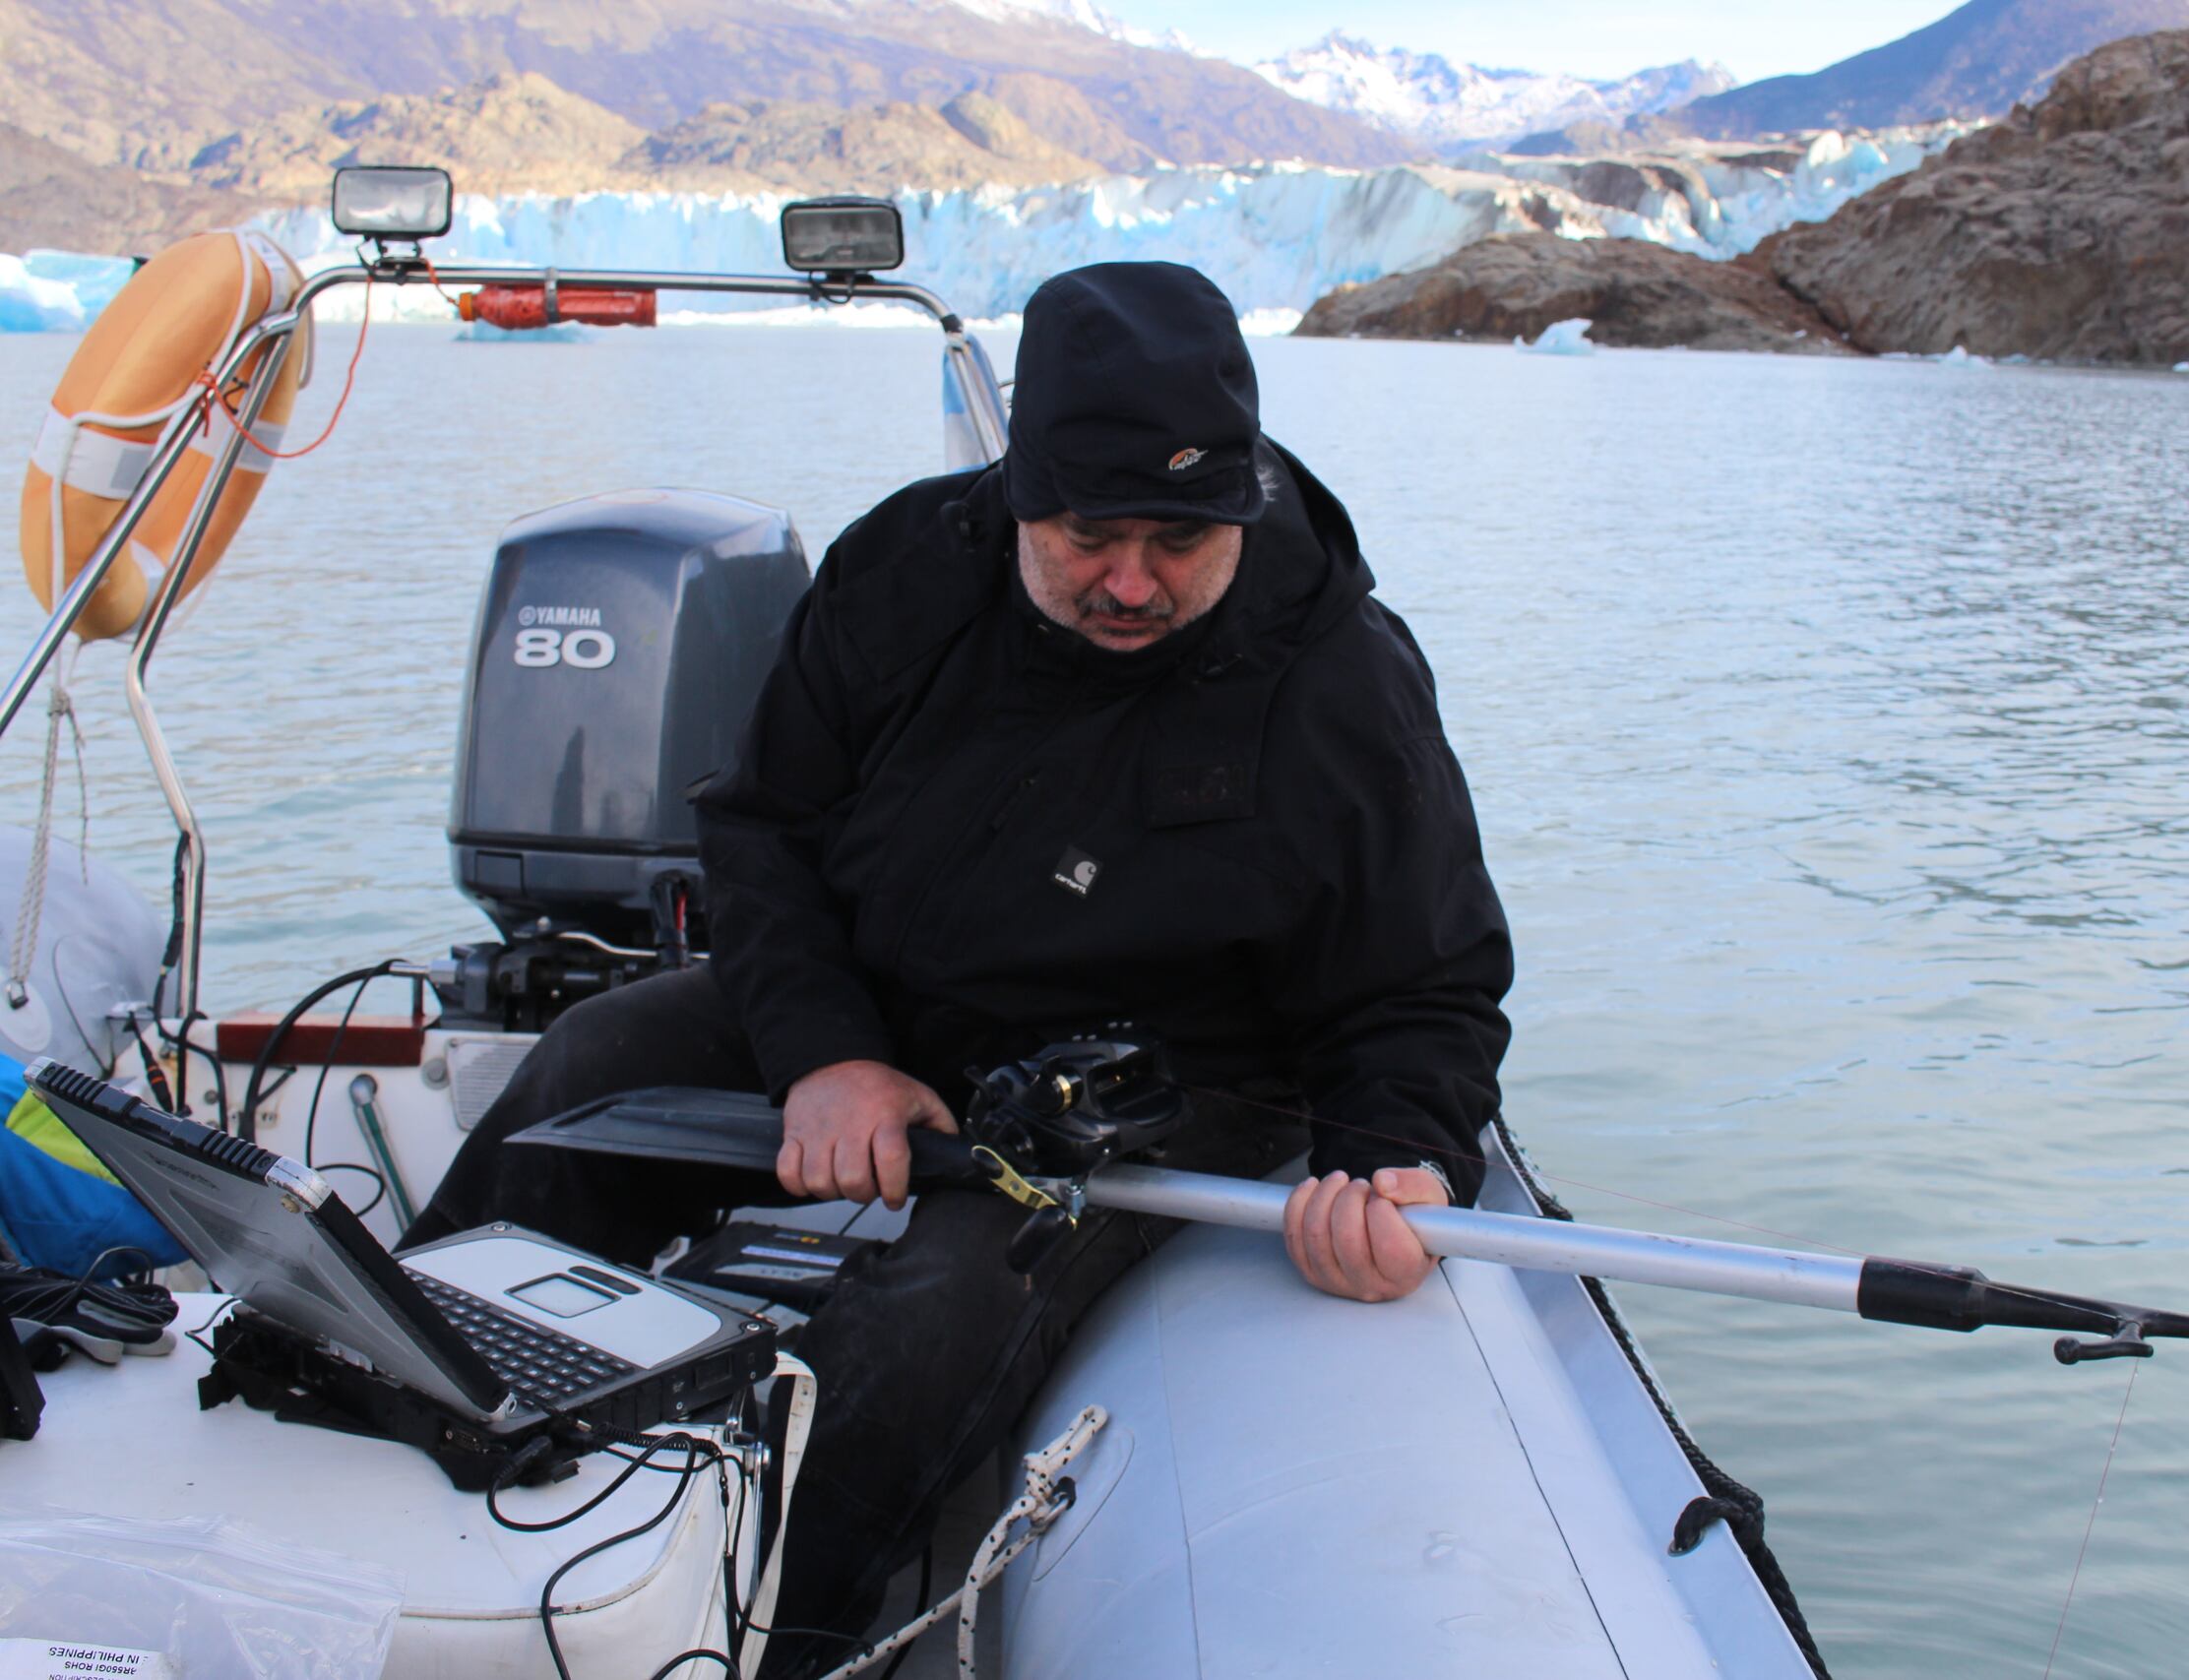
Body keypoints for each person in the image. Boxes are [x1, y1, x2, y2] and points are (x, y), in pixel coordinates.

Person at [401, 261, 1512, 1674]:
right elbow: (762, 827)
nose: (1131, 581)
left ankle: (757, 1637)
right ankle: (403, 1422)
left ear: (1236, 502)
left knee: (938, 1309)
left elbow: (1425, 980)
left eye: (1179, 541)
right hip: (875, 1002)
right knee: (585, 1071)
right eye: (1089, 534)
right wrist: (824, 1053)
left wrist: (1401, 1155)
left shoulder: (1339, 677)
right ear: (1016, 489)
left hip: (1156, 1080)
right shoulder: (907, 566)